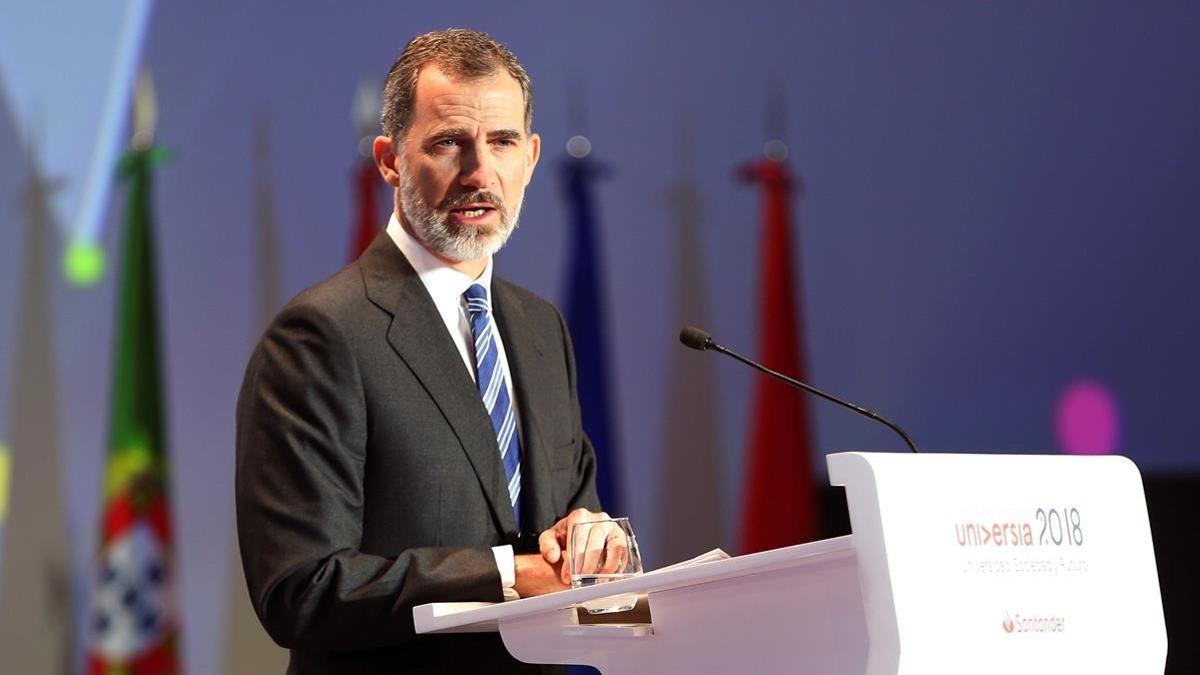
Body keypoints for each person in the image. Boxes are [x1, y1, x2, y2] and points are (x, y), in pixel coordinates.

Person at [235, 28, 616, 673]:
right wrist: (504, 575)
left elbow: (572, 509)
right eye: (448, 143)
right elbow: (301, 589)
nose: (479, 172)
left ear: (531, 155)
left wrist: (590, 539)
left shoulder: (540, 328)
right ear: (389, 159)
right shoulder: (320, 336)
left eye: (502, 142)